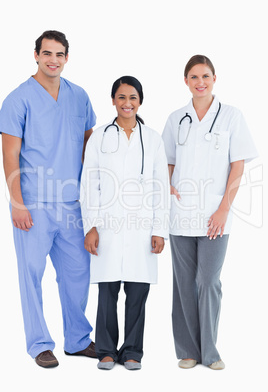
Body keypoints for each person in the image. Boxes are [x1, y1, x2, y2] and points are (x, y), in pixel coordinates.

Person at [0, 30, 97, 368]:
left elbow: (89, 144)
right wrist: (17, 202)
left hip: (72, 203)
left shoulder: (79, 97)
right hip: (34, 203)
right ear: (37, 56)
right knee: (31, 274)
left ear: (67, 57)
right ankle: (40, 344)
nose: (53, 59)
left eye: (59, 54)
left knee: (79, 273)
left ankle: (77, 340)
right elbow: (10, 155)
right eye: (47, 53)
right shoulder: (18, 99)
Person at [162, 55, 258, 370]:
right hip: (181, 213)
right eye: (194, 77)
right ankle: (188, 351)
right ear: (186, 81)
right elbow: (168, 160)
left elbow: (238, 164)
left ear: (214, 78)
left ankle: (211, 350)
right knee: (184, 282)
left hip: (217, 213)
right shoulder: (177, 118)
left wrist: (222, 209)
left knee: (208, 280)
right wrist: (168, 186)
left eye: (205, 76)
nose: (200, 82)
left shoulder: (231, 116)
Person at [81, 76, 169, 370]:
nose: (127, 103)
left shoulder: (153, 139)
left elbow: (160, 186)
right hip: (106, 225)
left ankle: (132, 352)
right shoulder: (99, 137)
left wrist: (159, 230)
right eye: (121, 97)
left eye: (132, 97)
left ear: (140, 101)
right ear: (113, 100)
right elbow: (88, 184)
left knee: (137, 294)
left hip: (143, 227)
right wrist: (90, 225)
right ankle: (105, 350)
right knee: (107, 291)